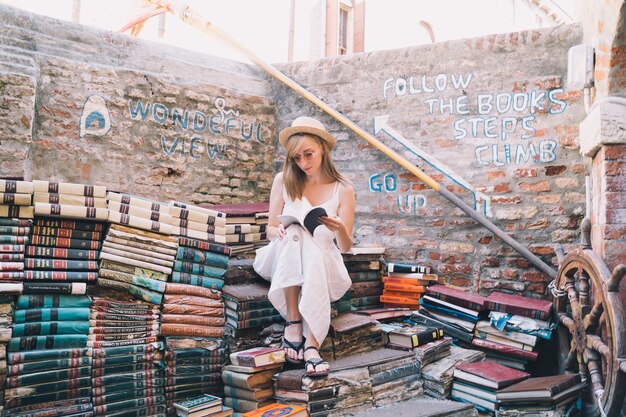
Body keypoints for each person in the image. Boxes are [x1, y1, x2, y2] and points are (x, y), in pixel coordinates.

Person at [253, 116, 355, 377]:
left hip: (323, 259)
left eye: (308, 154)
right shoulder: (283, 179)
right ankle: (300, 328)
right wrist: (280, 229)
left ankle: (305, 336)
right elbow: (270, 228)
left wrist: (340, 227)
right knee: (296, 231)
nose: (304, 163)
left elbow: (344, 247)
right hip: (285, 250)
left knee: (312, 252)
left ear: (323, 148)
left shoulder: (343, 188)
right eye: (297, 158)